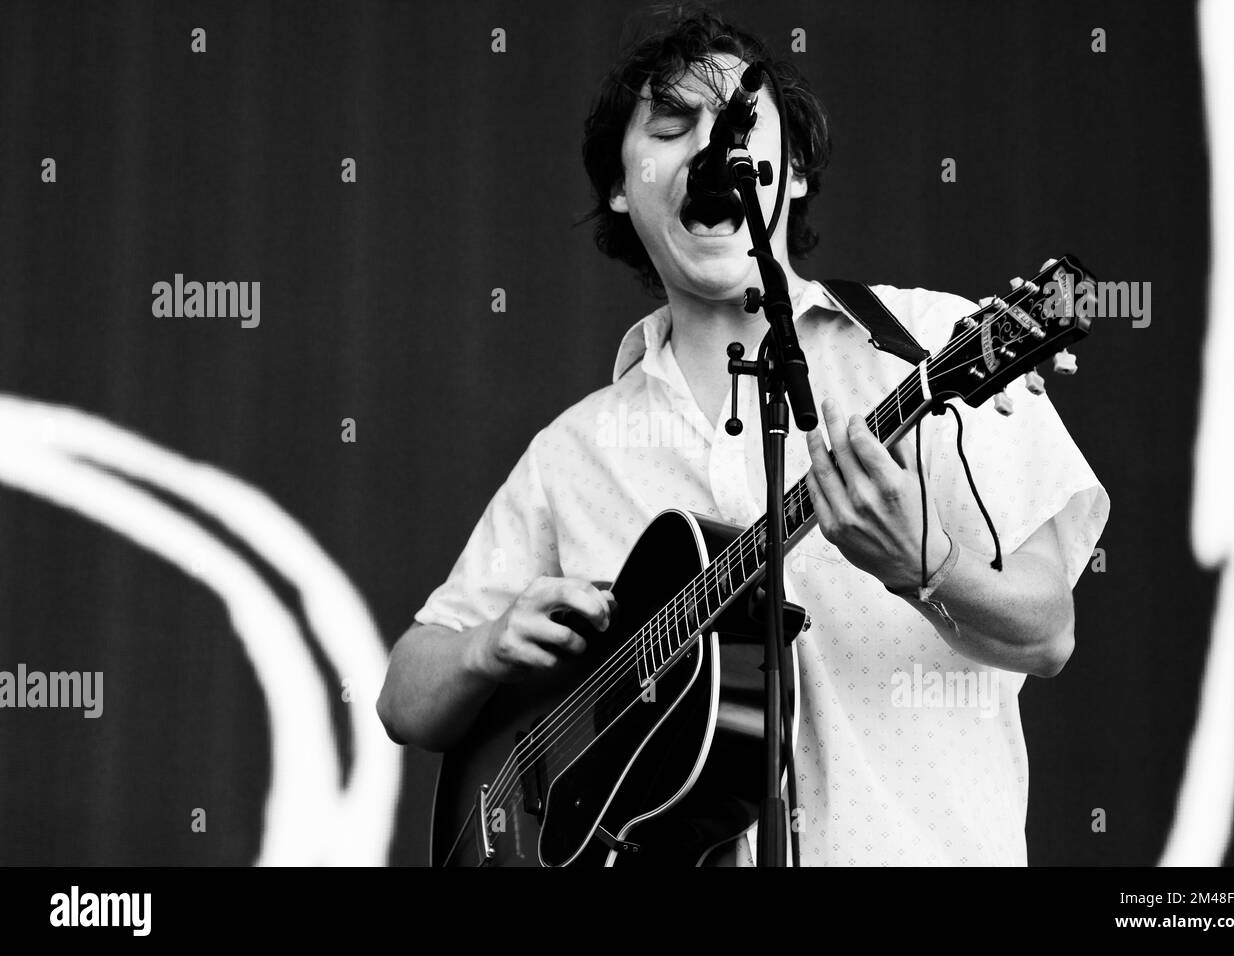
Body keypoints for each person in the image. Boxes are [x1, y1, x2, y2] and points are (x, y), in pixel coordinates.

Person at [377, 8, 1109, 866]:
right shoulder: (578, 450)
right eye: (671, 127)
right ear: (621, 186)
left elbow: (1047, 631)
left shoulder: (926, 348)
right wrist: (485, 648)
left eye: (736, 126)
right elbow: (406, 698)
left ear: (789, 172)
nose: (709, 151)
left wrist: (926, 566)